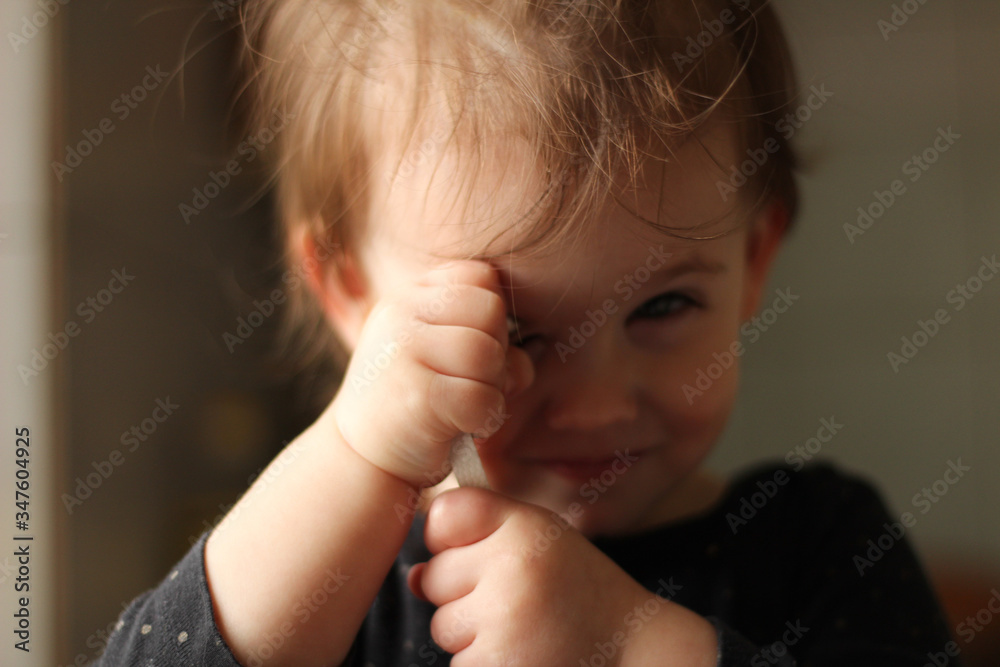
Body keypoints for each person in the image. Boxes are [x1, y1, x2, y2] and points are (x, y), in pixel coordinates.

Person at [91, 0, 960, 665]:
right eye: (513, 328)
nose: (593, 406)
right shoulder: (333, 578)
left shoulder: (819, 546)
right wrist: (356, 454)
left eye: (662, 307)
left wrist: (629, 646)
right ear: (350, 286)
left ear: (754, 257)